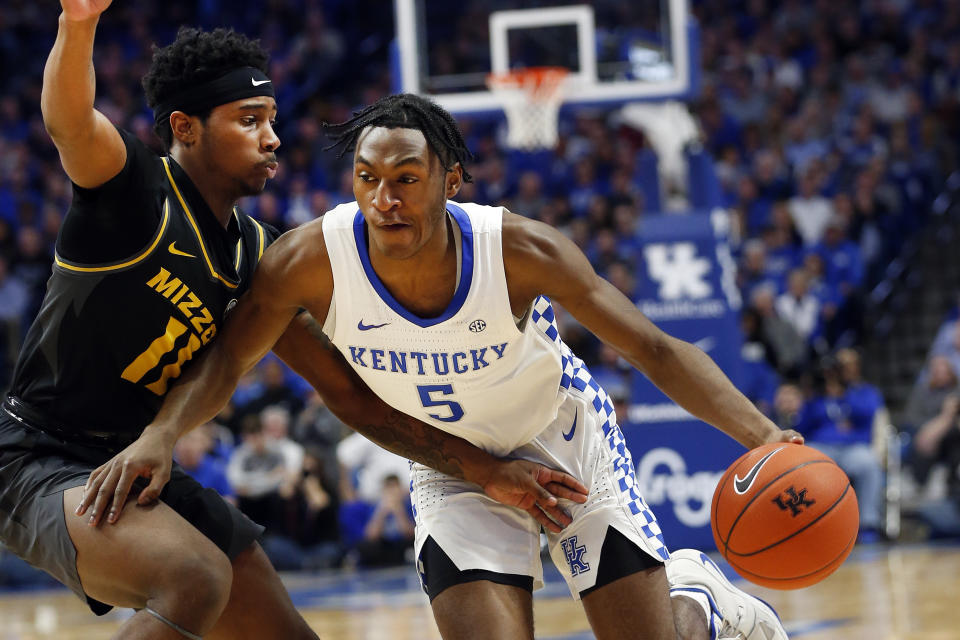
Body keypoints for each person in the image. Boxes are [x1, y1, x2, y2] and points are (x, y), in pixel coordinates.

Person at [105, 93, 806, 640]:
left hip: (561, 441)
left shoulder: (519, 251)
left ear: (452, 181)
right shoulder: (308, 261)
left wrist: (762, 435)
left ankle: (696, 596)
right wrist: (162, 433)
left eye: (407, 179)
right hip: (450, 465)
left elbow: (652, 347)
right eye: (368, 178)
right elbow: (228, 357)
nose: (385, 199)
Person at [1, 7, 586, 640]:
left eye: (272, 120)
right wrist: (78, 19)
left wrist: (483, 467)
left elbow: (352, 400)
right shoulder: (137, 192)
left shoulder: (262, 256)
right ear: (184, 128)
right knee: (195, 577)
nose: (273, 138)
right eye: (250, 121)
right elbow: (68, 122)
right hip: (37, 455)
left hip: (137, 458)